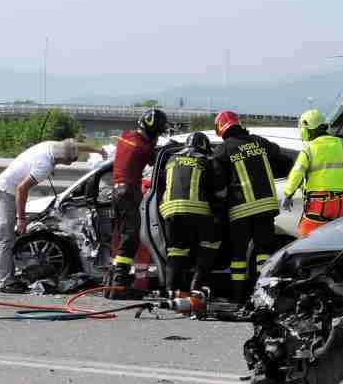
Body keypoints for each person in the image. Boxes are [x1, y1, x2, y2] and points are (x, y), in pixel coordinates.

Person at [0, 138, 108, 293]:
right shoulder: (44, 166)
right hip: (7, 193)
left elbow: (74, 146)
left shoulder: (52, 145)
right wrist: (21, 219)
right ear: (62, 159)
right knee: (5, 239)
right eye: (69, 162)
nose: (70, 164)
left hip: (1, 188)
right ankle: (6, 282)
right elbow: (22, 189)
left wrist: (98, 150)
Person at [210, 110, 292, 302]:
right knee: (263, 253)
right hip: (266, 206)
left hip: (241, 209)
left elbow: (218, 184)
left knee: (238, 256)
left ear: (221, 127)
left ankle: (239, 297)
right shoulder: (259, 142)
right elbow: (281, 158)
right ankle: (262, 296)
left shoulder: (223, 150)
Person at [106, 108, 169, 298]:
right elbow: (155, 161)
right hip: (129, 192)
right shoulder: (143, 147)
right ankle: (119, 284)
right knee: (131, 238)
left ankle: (114, 283)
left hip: (116, 191)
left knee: (123, 237)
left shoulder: (126, 137)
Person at [159, 132, 224, 297]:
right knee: (210, 243)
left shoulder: (170, 159)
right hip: (198, 209)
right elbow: (219, 191)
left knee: (176, 250)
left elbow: (161, 185)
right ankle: (197, 283)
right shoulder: (206, 160)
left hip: (170, 210)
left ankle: (172, 292)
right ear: (204, 146)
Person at [282, 109, 343, 237]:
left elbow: (296, 174)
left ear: (308, 128)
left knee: (308, 240)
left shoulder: (309, 149)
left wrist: (288, 194)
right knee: (339, 238)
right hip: (341, 203)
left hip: (319, 204)